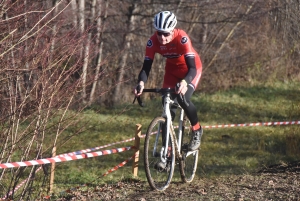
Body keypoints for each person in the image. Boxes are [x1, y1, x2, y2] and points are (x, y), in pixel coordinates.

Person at [134, 11, 203, 151]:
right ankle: (168, 151)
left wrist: (184, 83)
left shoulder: (182, 38)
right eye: (159, 33)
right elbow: (146, 67)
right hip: (172, 71)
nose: (162, 37)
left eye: (166, 34)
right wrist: (141, 83)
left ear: (173, 31)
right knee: (167, 108)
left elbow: (192, 68)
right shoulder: (152, 42)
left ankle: (197, 130)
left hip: (190, 71)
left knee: (182, 98)